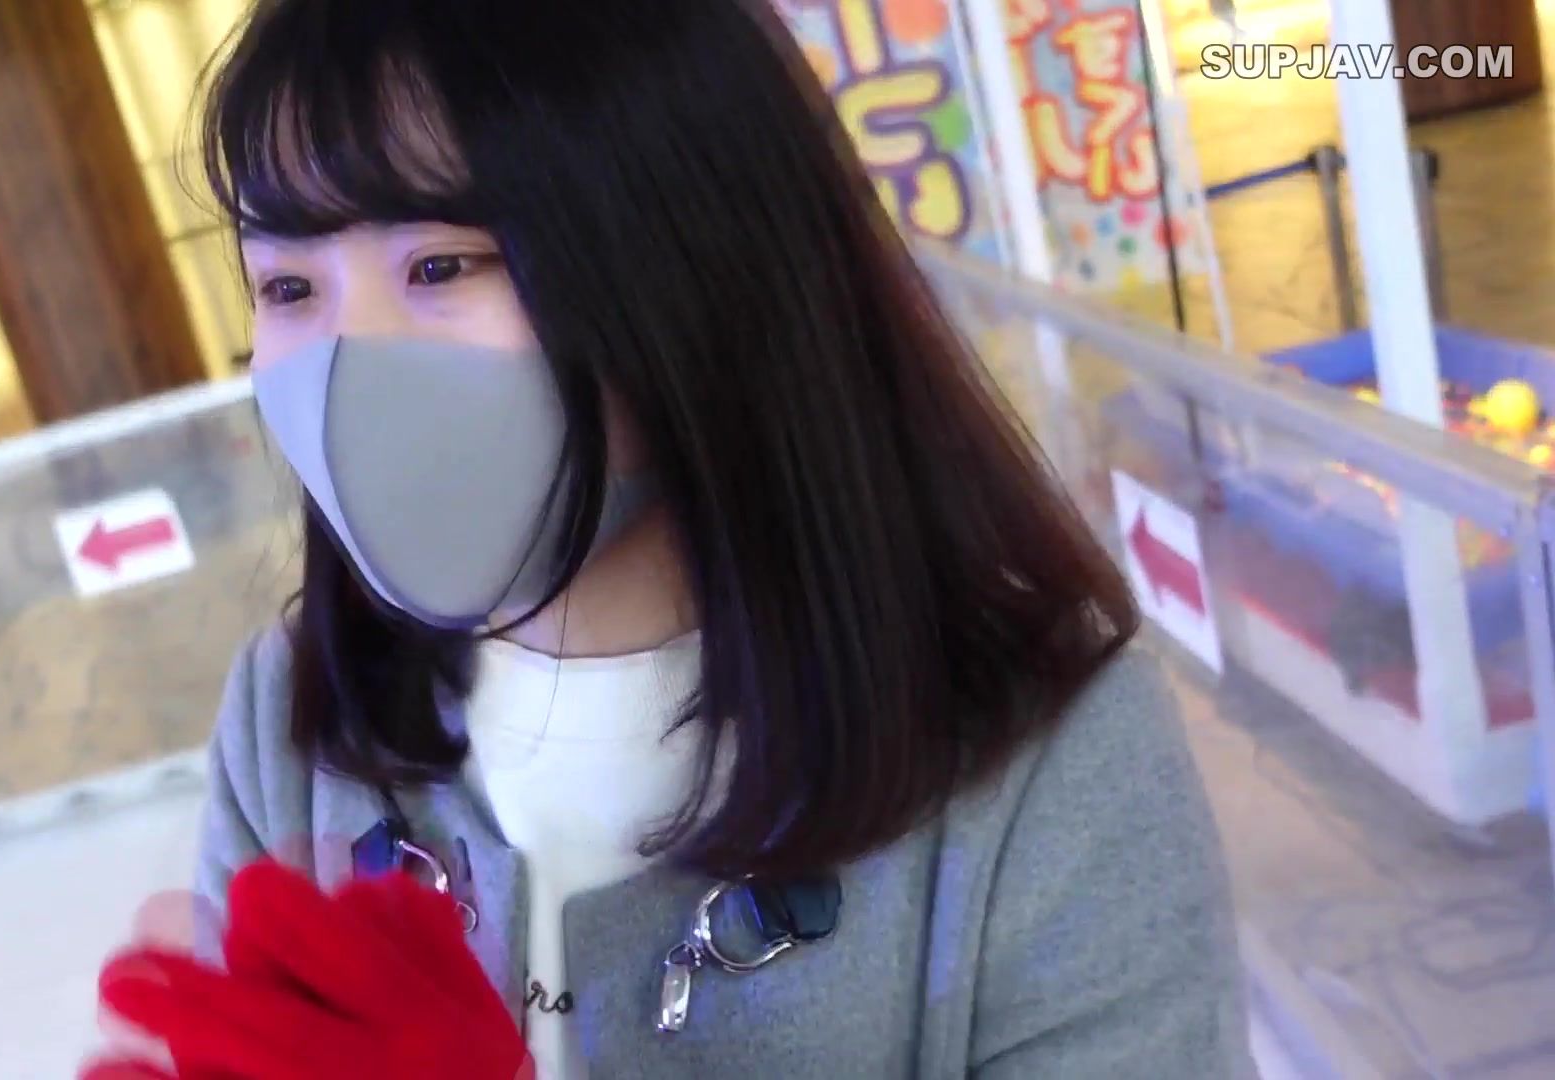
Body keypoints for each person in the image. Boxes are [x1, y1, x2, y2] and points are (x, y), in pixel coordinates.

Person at [93, 0, 1255, 1076]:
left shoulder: (1047, 758)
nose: (350, 366)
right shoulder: (291, 723)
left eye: (440, 265)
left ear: (686, 266)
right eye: (286, 289)